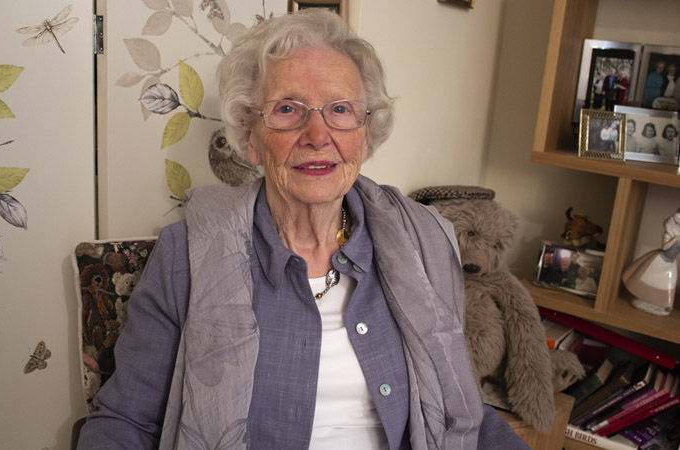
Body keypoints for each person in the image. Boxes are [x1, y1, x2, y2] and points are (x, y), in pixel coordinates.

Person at [76, 10, 530, 450]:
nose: (317, 134)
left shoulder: (423, 243)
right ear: (250, 137)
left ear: (365, 135)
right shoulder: (186, 254)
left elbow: (460, 409)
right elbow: (127, 421)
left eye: (340, 109)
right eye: (288, 108)